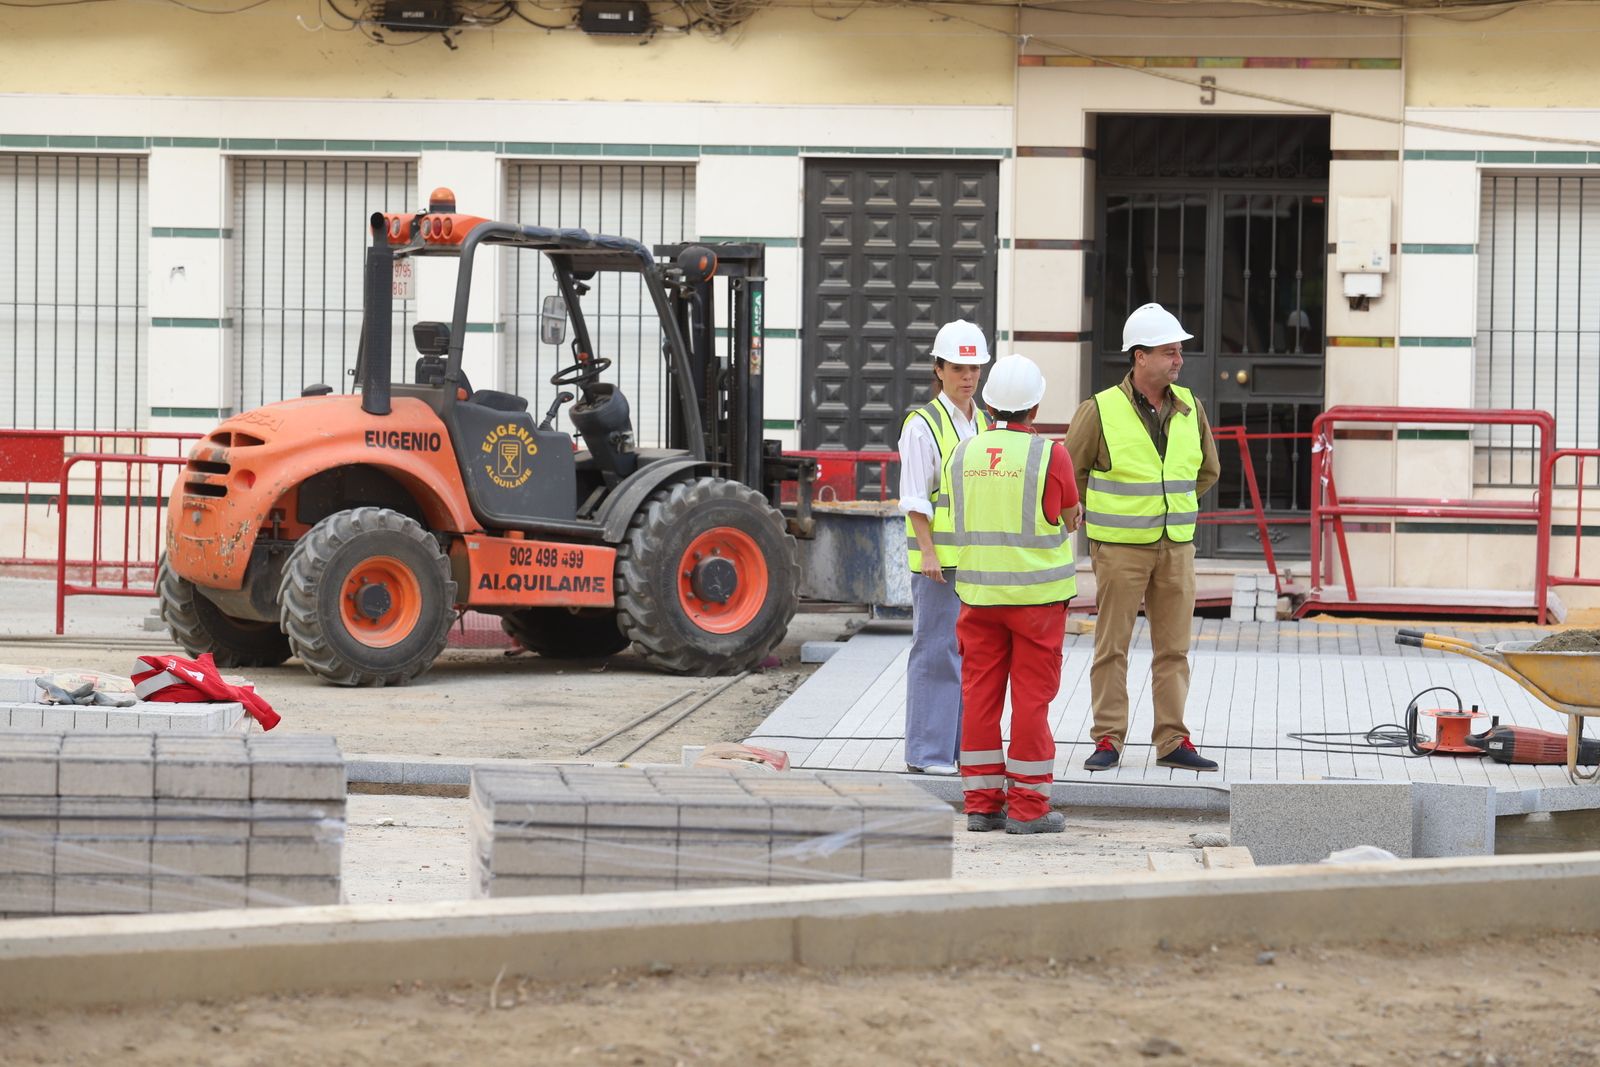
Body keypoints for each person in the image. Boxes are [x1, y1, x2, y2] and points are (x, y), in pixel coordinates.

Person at [1064, 303, 1221, 774]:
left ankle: (1172, 739)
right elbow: (1070, 473)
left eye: (1179, 352)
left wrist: (1169, 506)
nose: (1178, 360)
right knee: (1112, 647)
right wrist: (1105, 513)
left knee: (1174, 649)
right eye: (1169, 352)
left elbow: (1207, 470)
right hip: (1118, 550)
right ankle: (1108, 738)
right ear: (1140, 357)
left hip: (1175, 547)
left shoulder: (1191, 406)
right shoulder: (1099, 409)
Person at [949, 355, 1080, 834]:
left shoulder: (963, 453)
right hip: (1037, 603)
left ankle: (981, 806)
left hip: (978, 597)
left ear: (988, 403)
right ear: (1036, 405)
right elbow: (1067, 516)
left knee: (979, 697)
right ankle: (1028, 809)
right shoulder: (1051, 454)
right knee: (1030, 702)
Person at [898, 320, 992, 775]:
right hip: (940, 565)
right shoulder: (923, 426)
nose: (968, 376)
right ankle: (927, 754)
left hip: (976, 563)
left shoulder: (986, 421)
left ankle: (955, 751)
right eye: (958, 367)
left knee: (968, 657)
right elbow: (916, 497)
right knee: (935, 652)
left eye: (974, 367)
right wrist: (929, 552)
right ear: (938, 369)